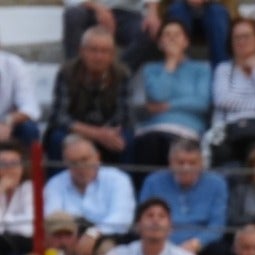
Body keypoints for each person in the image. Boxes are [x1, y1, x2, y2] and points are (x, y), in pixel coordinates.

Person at [128, 19, 210, 180]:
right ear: (160, 43)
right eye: (167, 35)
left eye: (177, 35)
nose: (172, 39)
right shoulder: (150, 69)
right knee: (148, 144)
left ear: (186, 42)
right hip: (153, 130)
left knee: (166, 146)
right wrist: (170, 64)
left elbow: (201, 103)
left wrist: (169, 105)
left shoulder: (201, 69)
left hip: (186, 130)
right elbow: (159, 95)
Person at [46, 27, 133, 164]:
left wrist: (105, 133)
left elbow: (123, 115)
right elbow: (59, 116)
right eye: (93, 50)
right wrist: (96, 134)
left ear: (112, 54)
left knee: (125, 139)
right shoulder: (67, 73)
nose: (99, 56)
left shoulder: (122, 74)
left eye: (105, 51)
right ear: (81, 51)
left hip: (109, 129)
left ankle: (124, 184)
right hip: (76, 130)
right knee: (57, 138)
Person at [139, 138, 226, 255]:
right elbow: (144, 219)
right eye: (180, 162)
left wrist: (196, 243)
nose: (186, 168)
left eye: (192, 163)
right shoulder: (153, 182)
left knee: (219, 250)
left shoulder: (217, 183)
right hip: (161, 241)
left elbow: (217, 225)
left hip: (201, 245)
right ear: (170, 162)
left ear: (201, 163)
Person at [209, 19, 255, 167]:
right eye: (237, 38)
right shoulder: (224, 69)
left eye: (246, 36)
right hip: (228, 131)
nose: (241, 41)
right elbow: (223, 100)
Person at [45, 134, 136, 237]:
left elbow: (122, 217)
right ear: (66, 164)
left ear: (97, 157)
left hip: (105, 239)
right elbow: (51, 218)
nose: (80, 167)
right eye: (73, 162)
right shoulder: (55, 184)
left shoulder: (118, 179)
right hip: (67, 239)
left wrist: (93, 234)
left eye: (84, 159)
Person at [103, 196, 204, 255]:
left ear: (170, 228)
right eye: (150, 215)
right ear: (138, 226)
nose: (155, 221)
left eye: (162, 216)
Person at [7, 211, 101, 255]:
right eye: (57, 235)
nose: (63, 241)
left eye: (68, 235)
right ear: (44, 239)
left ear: (76, 238)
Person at [0, 36, 43, 147]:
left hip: (7, 122)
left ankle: (25, 165)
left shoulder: (13, 64)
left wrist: (7, 122)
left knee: (29, 129)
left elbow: (29, 107)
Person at [0, 138, 34, 255]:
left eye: (14, 164)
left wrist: (5, 222)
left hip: (22, 244)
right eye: (3, 164)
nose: (9, 170)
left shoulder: (29, 188)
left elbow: (29, 227)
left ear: (23, 167)